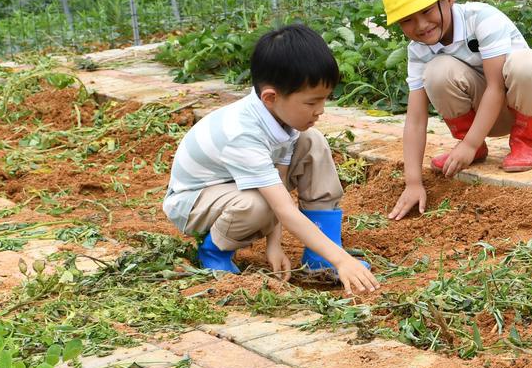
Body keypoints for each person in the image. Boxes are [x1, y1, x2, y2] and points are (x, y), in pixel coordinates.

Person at [161, 23, 377, 292]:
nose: (320, 110)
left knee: (313, 142)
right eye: (311, 102)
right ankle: (214, 251)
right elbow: (281, 207)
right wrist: (344, 260)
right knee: (258, 204)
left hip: (234, 186)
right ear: (271, 97)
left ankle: (320, 257)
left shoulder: (282, 120)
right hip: (193, 201)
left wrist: (273, 246)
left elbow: (280, 183)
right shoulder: (243, 134)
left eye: (325, 99)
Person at [379, 0, 532, 219]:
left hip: (528, 104)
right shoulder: (418, 50)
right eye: (407, 20)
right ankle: (475, 147)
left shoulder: (482, 19)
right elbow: (416, 119)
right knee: (436, 71)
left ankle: (525, 142)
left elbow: (496, 87)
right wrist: (413, 182)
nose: (421, 25)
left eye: (427, 11)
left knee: (525, 63)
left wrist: (468, 145)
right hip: (484, 116)